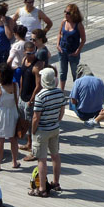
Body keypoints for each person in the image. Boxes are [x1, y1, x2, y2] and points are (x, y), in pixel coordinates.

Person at [29, 67, 65, 197]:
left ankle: (42, 189)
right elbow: (61, 113)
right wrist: (55, 121)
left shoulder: (40, 96)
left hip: (42, 130)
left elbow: (35, 117)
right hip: (54, 128)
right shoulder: (60, 93)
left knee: (42, 159)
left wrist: (33, 131)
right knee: (55, 155)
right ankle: (56, 183)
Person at [18, 41, 45, 158]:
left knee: (32, 125)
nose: (31, 55)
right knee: (25, 122)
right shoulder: (24, 60)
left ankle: (34, 149)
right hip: (22, 96)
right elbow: (22, 77)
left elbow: (38, 85)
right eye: (29, 53)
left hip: (31, 98)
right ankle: (28, 143)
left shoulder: (37, 65)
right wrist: (19, 93)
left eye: (33, 52)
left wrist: (32, 100)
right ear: (24, 52)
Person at [0, 63, 20, 171]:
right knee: (13, 139)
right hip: (13, 111)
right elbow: (17, 100)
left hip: (2, 112)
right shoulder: (15, 85)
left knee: (0, 140)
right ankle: (14, 161)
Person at [57, 3, 86, 91]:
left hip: (73, 53)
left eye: (68, 13)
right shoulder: (64, 21)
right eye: (65, 12)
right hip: (62, 51)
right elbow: (59, 33)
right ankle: (62, 91)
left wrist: (78, 51)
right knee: (62, 72)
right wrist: (58, 44)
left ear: (73, 14)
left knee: (75, 73)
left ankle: (76, 91)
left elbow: (83, 39)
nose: (65, 14)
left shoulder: (79, 25)